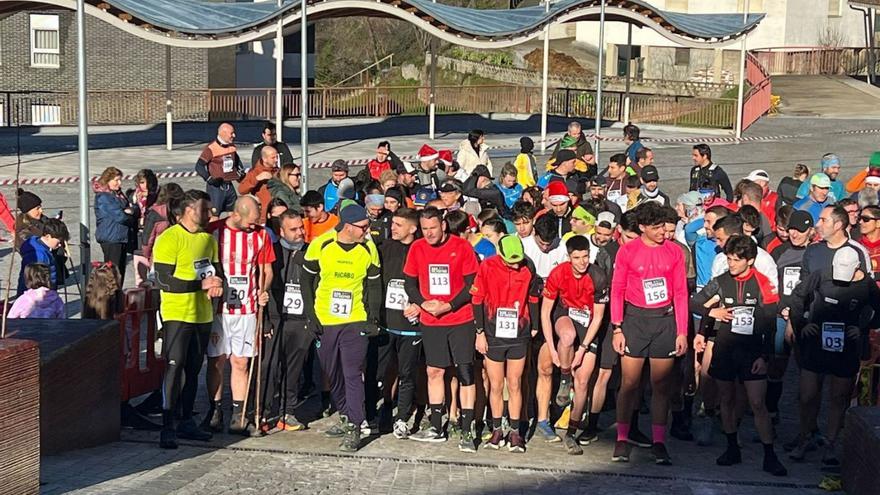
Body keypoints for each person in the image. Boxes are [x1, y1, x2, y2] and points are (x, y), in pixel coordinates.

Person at [691, 235, 787, 476]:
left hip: (752, 351)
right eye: (729, 258)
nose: (731, 263)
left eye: (736, 260)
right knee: (727, 399)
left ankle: (769, 454)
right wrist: (713, 312)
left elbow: (770, 324)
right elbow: (693, 303)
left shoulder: (763, 283)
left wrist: (765, 356)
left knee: (757, 403)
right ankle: (732, 447)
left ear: (750, 260)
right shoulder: (720, 281)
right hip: (725, 349)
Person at [610, 201, 689, 464]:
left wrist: (682, 331)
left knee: (661, 386)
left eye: (663, 228)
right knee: (629, 384)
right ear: (642, 227)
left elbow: (680, 292)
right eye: (655, 228)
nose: (661, 233)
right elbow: (617, 289)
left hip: (664, 321)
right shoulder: (628, 251)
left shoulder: (674, 252)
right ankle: (622, 438)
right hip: (635, 320)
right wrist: (617, 327)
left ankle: (659, 441)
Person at [788, 246, 880, 463]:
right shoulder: (820, 276)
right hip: (816, 342)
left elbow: (879, 311)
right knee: (807, 395)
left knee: (838, 397)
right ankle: (805, 436)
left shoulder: (866, 285)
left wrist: (863, 329)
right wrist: (801, 325)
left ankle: (830, 443)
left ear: (857, 268)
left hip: (846, 345)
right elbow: (797, 298)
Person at [302, 204, 382, 452]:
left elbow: (375, 286)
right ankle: (346, 414)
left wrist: (373, 319)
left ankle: (355, 427)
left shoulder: (368, 248)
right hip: (326, 319)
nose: (367, 232)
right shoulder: (322, 244)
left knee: (352, 372)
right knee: (331, 371)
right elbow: (306, 280)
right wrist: (310, 315)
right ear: (348, 227)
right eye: (363, 228)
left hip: (355, 319)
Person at [153, 190, 225, 449]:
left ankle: (186, 419)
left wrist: (218, 284)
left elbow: (215, 272)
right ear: (185, 211)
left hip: (202, 314)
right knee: (175, 366)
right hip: (177, 313)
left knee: (194, 369)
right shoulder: (169, 238)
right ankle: (167, 424)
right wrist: (199, 284)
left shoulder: (208, 239)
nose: (209, 214)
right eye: (203, 209)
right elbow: (163, 280)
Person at [405, 207, 480, 452]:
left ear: (443, 226)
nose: (429, 233)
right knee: (434, 371)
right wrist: (422, 303)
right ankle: (437, 426)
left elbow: (472, 284)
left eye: (433, 228)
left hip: (460, 319)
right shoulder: (417, 248)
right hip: (431, 320)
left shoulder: (462, 247)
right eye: (425, 229)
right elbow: (409, 282)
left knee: (465, 372)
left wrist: (448, 305)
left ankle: (467, 430)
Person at [204, 196, 275, 435]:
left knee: (241, 361)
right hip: (218, 309)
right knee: (217, 360)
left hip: (247, 308)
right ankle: (214, 410)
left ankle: (239, 414)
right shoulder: (215, 232)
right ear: (236, 214)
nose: (254, 226)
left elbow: (266, 269)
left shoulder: (261, 235)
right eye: (251, 222)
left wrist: (263, 290)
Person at [472, 234, 541, 453]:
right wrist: (480, 332)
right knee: (495, 385)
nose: (515, 264)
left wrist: (535, 325)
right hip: (493, 333)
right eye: (511, 261)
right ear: (500, 255)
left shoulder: (527, 267)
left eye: (518, 260)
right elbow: (477, 299)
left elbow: (533, 298)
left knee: (515, 383)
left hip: (518, 332)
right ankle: (496, 429)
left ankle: (515, 432)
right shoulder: (487, 266)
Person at [540, 235, 608, 455]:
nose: (581, 262)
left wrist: (584, 348)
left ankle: (571, 432)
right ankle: (564, 376)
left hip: (588, 323)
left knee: (583, 382)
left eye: (585, 256)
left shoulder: (598, 277)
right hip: (566, 315)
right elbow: (545, 312)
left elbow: (598, 318)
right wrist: (552, 347)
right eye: (576, 257)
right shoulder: (558, 273)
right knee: (567, 337)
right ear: (569, 257)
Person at [372, 208, 423, 439]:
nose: (393, 228)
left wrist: (420, 305)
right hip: (386, 322)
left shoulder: (421, 250)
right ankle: (381, 409)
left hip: (411, 326)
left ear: (413, 228)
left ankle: (402, 417)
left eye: (399, 225)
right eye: (393, 223)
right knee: (382, 371)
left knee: (407, 373)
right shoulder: (384, 248)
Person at [261, 210, 312, 432]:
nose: (300, 232)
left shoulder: (310, 252)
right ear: (281, 231)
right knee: (269, 366)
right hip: (275, 317)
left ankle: (287, 412)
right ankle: (262, 412)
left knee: (294, 368)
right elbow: (263, 287)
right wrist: (265, 321)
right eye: (294, 229)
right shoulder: (272, 252)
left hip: (301, 320)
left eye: (301, 227)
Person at [767, 209, 813, 423]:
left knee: (807, 369)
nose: (795, 234)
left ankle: (808, 420)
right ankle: (771, 412)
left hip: (804, 318)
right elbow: (770, 285)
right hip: (780, 315)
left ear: (811, 232)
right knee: (777, 366)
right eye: (792, 229)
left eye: (800, 230)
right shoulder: (778, 252)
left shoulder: (815, 253)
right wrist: (781, 308)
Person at [94, 166, 138, 282]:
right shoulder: (104, 197)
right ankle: (113, 298)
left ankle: (118, 297)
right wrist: (129, 213)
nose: (119, 183)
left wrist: (130, 210)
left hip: (120, 236)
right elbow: (120, 216)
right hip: (111, 237)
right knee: (113, 274)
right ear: (108, 180)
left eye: (120, 180)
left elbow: (129, 209)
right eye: (116, 180)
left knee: (119, 273)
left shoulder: (117, 194)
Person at [137, 183, 184, 286]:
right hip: (181, 255)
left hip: (158, 256)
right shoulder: (184, 211)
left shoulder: (154, 213)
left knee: (157, 286)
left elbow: (147, 240)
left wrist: (148, 256)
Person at [195, 122, 245, 216]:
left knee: (234, 212)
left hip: (229, 185)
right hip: (216, 187)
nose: (234, 135)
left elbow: (237, 160)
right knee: (214, 214)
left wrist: (240, 172)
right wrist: (210, 179)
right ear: (223, 133)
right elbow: (199, 166)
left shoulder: (232, 146)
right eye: (231, 133)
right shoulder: (211, 148)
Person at [17, 218, 68, 296]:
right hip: (38, 296)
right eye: (58, 242)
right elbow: (37, 281)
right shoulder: (39, 256)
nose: (60, 245)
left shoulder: (40, 248)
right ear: (47, 236)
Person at [238, 145, 279, 223]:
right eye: (273, 158)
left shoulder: (278, 171)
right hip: (264, 216)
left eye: (277, 157)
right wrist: (257, 179)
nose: (276, 160)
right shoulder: (255, 172)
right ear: (264, 159)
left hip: (278, 214)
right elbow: (241, 190)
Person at [858, 205, 880, 277]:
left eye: (865, 219)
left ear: (878, 223)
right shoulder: (856, 246)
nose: (860, 222)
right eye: (860, 218)